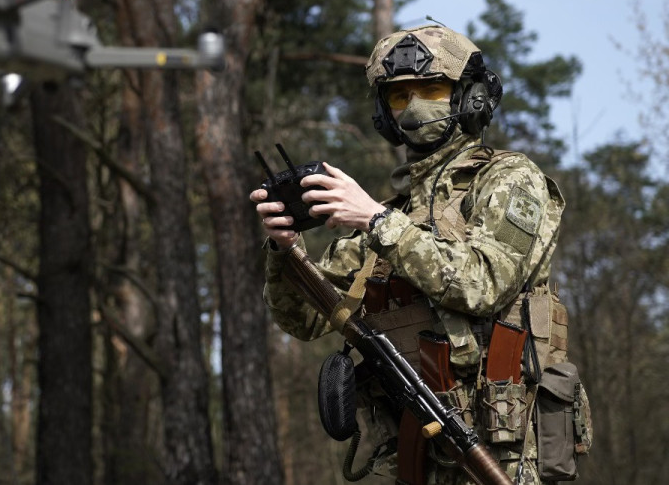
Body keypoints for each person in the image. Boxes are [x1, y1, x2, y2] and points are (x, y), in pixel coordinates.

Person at [251, 25, 588, 484]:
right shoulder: (388, 215)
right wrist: (284, 250)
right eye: (398, 96)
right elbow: (303, 320)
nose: (413, 107)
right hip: (410, 452)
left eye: (431, 89)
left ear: (469, 97)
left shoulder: (509, 179)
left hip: (502, 448)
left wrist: (376, 221)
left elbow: (483, 284)